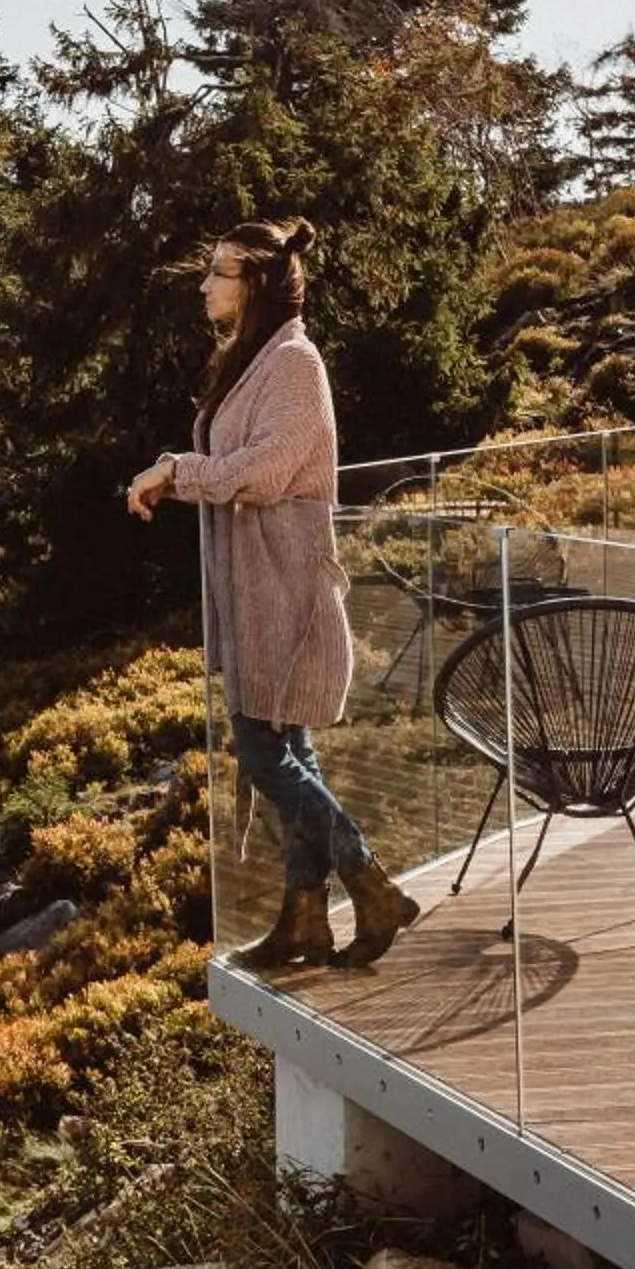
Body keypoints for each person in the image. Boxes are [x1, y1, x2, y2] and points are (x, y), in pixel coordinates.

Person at [126, 218, 418, 969]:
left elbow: (266, 468)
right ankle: (304, 920)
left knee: (263, 748)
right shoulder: (254, 358)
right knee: (289, 746)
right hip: (256, 584)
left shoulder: (295, 362)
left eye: (218, 271)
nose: (204, 285)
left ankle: (370, 881)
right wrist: (180, 467)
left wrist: (174, 469)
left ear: (255, 281)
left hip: (286, 584)